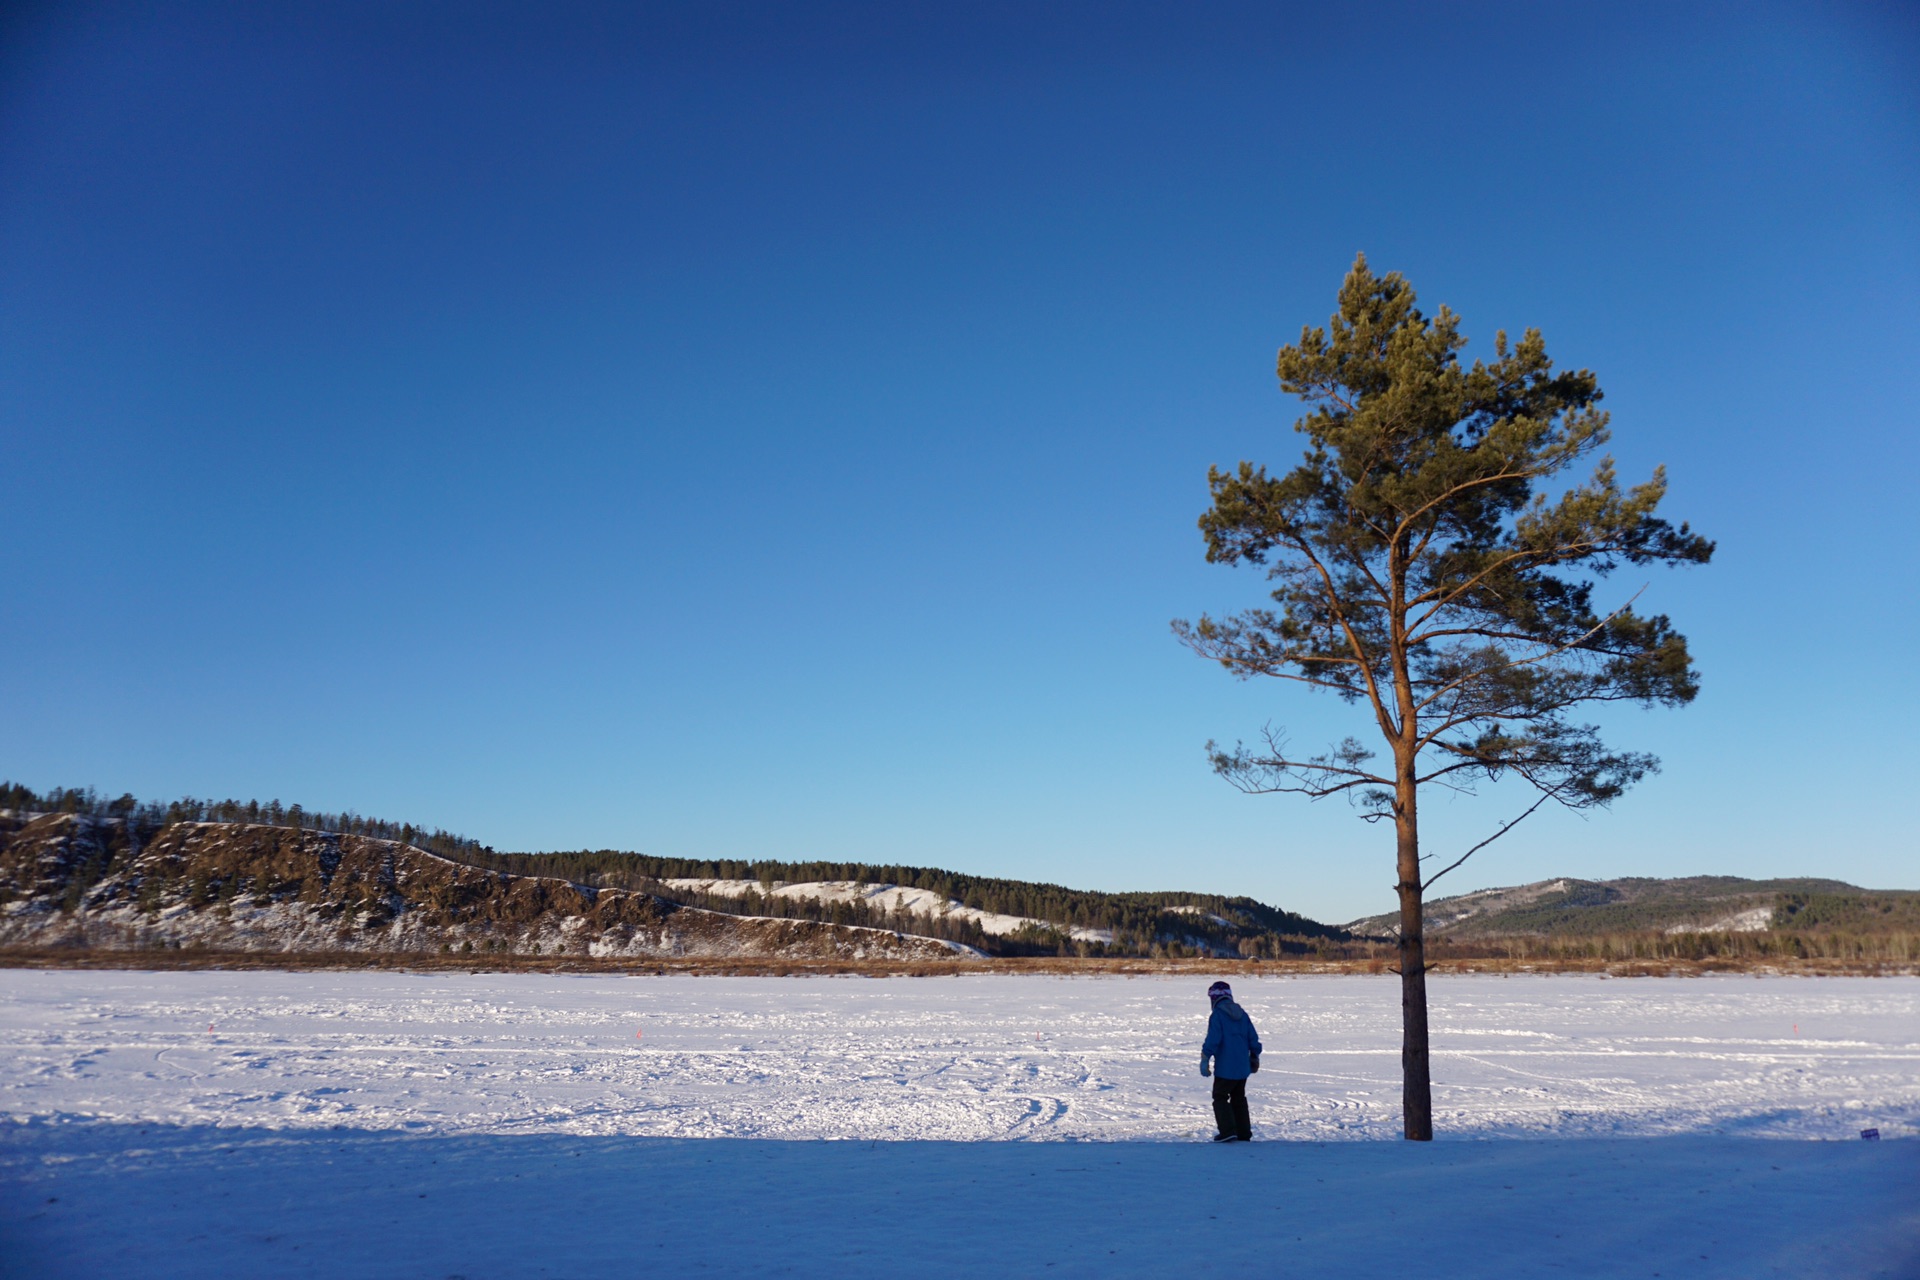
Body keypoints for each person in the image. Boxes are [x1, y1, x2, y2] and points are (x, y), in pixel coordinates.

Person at [1199, 979, 1261, 1142]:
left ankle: (1227, 1131)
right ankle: (1243, 1133)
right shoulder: (1242, 1014)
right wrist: (1254, 1055)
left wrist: (1205, 1057)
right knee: (1238, 1098)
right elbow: (1252, 1038)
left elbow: (1213, 1039)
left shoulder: (1217, 1015)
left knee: (1220, 1096)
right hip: (1242, 1067)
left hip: (1225, 1067)